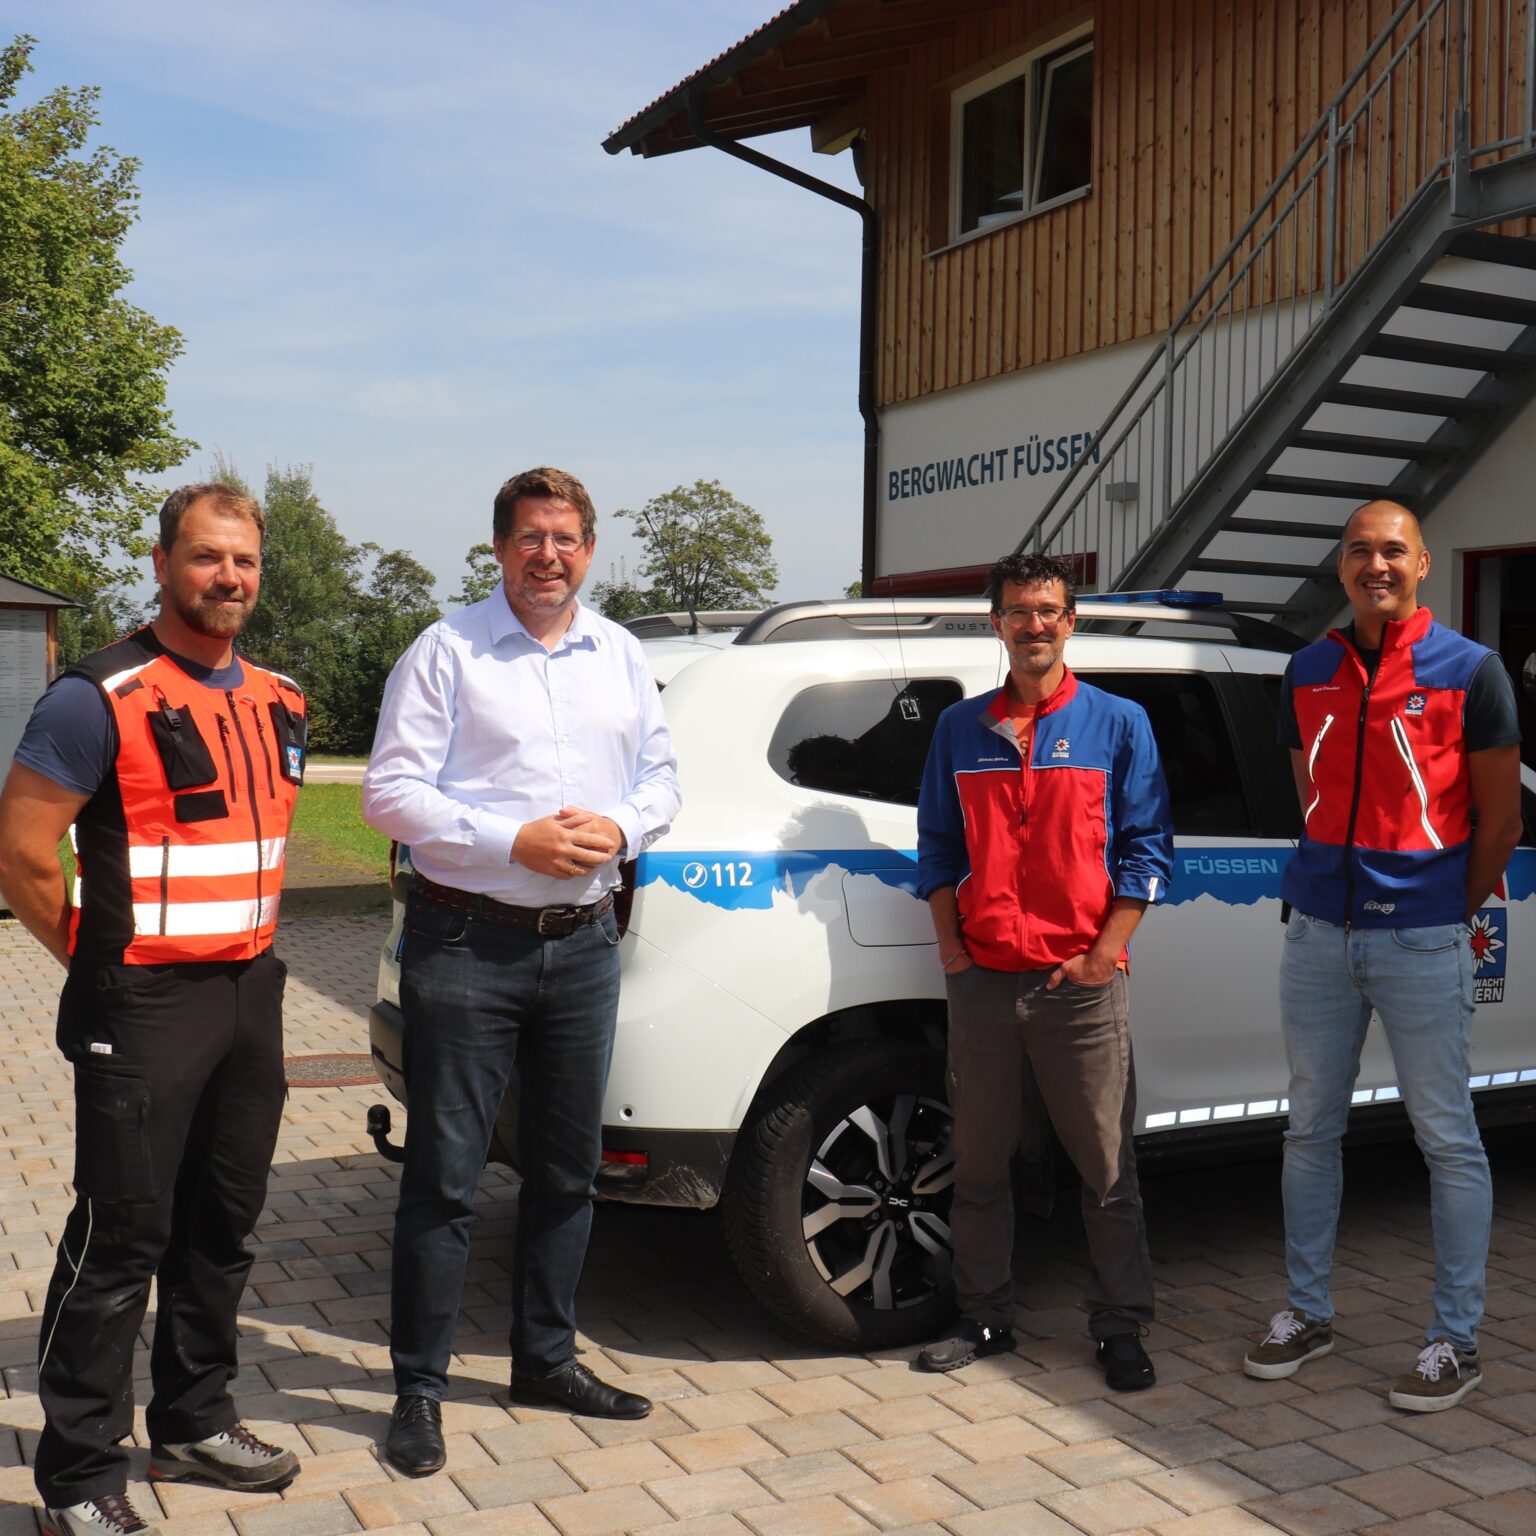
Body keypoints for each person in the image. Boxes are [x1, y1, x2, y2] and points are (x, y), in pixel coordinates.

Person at [0, 485, 308, 1536]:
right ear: (163, 559)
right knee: (122, 1238)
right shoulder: (97, 696)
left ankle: (194, 1418)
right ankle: (81, 1478)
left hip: (253, 995)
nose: (229, 578)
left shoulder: (280, 697)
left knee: (222, 1224)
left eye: (246, 562)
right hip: (143, 1002)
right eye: (208, 557)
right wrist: (102, 967)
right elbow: (23, 855)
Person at [362, 466, 680, 1476]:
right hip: (467, 945)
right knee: (446, 1179)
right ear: (499, 549)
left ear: (590, 550)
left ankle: (544, 1358)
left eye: (568, 538)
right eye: (531, 537)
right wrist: (514, 841)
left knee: (565, 1169)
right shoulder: (447, 651)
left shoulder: (621, 654)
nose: (550, 554)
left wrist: (623, 824)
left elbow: (662, 778)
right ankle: (419, 1387)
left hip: (583, 948)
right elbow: (389, 793)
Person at [1244, 500, 1522, 1411]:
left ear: (1423, 563)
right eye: (1360, 550)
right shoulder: (1308, 668)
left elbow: (1500, 818)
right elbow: (1310, 794)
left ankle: (1456, 1340)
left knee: (1446, 1137)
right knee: (1309, 1128)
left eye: (1392, 550)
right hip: (1318, 932)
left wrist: (1442, 909)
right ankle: (1308, 1313)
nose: (1377, 564)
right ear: (1340, 566)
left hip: (1420, 936)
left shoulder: (1469, 671)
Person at [914, 552, 1173, 1388]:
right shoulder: (960, 729)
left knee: (1105, 1169)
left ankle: (1120, 1325)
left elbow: (1146, 852)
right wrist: (955, 952)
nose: (1034, 625)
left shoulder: (1119, 723)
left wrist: (1101, 955)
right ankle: (984, 1318)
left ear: (1072, 622)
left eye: (1049, 611)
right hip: (984, 980)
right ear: (997, 623)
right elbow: (939, 848)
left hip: (1082, 984)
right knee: (980, 1166)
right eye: (1019, 611)